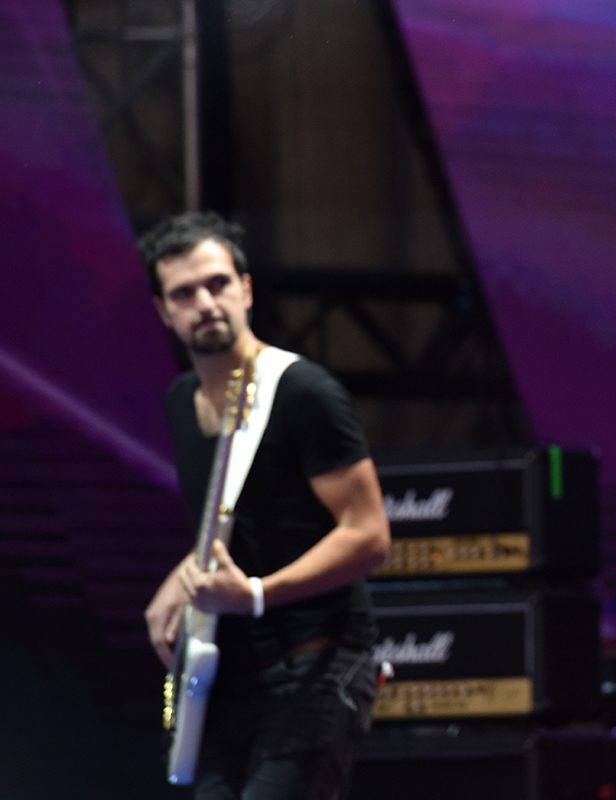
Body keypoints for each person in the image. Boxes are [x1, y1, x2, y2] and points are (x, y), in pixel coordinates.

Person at [140, 211, 391, 799]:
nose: (205, 303)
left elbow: (370, 535)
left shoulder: (303, 392)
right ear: (163, 311)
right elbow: (245, 515)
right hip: (225, 674)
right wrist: (184, 575)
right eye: (183, 293)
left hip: (316, 661)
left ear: (246, 290)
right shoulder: (180, 403)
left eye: (218, 284)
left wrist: (256, 593)